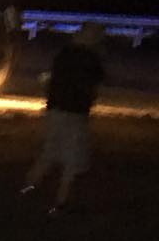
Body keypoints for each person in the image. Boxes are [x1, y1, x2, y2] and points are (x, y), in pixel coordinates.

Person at [24, 23, 105, 210]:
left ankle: (29, 186)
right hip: (76, 113)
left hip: (56, 109)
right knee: (72, 157)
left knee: (50, 150)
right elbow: (94, 85)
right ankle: (61, 198)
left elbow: (51, 80)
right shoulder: (92, 59)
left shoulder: (64, 54)